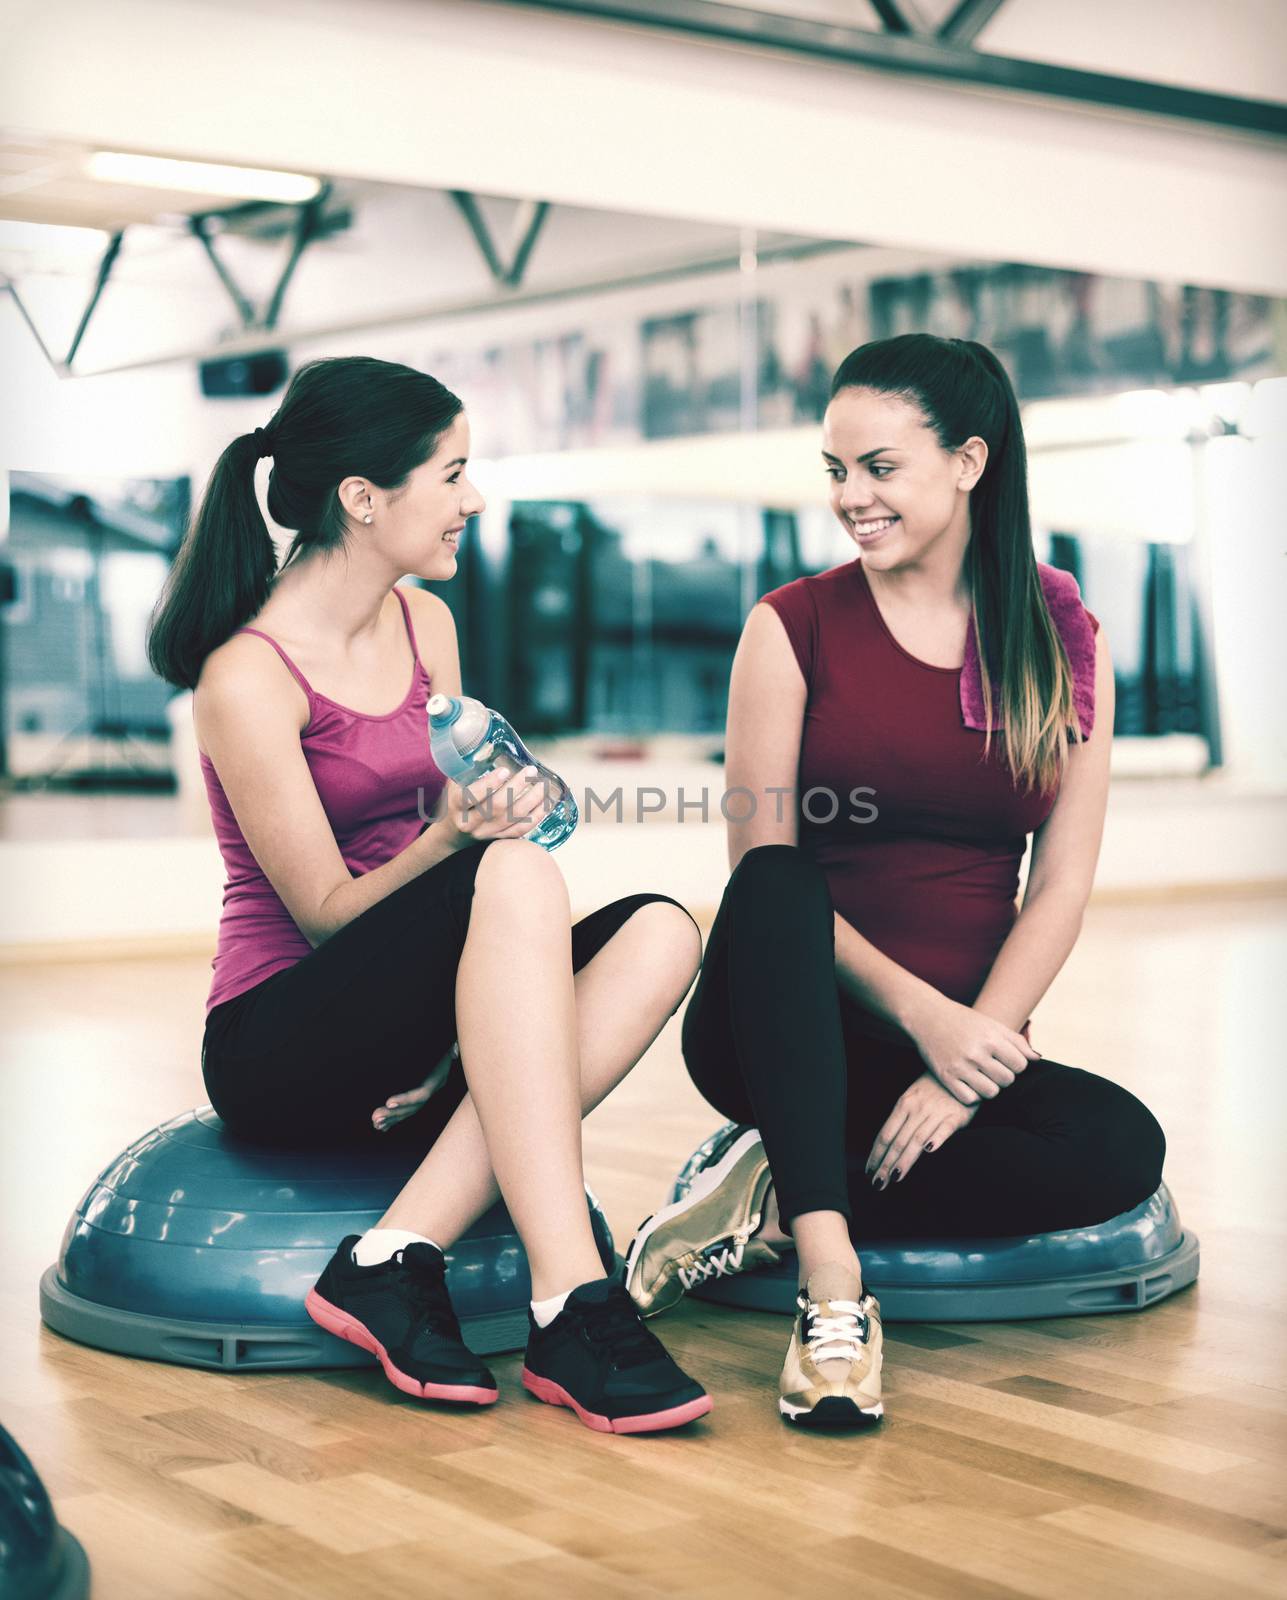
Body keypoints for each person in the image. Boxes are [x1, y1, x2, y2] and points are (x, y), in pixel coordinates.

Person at [147, 355, 711, 1436]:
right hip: (284, 1033)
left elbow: (465, 863)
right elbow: (323, 910)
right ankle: (570, 1298)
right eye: (452, 474)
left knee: (659, 933)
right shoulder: (247, 675)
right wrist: (458, 835)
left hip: (414, 998)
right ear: (364, 499)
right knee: (504, 871)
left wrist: (504, 808)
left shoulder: (427, 629)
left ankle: (391, 1255)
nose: (475, 500)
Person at [625, 334, 1166, 1429]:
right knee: (777, 876)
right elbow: (756, 869)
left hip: (959, 1037)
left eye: (879, 467)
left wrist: (971, 1057)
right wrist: (929, 1021)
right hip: (784, 1022)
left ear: (969, 461)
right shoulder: (791, 626)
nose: (850, 498)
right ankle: (831, 1280)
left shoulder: (1060, 633)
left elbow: (1060, 880)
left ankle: (777, 1187)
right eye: (835, 470)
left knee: (1120, 1146)